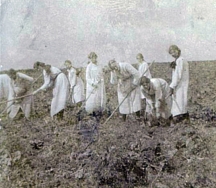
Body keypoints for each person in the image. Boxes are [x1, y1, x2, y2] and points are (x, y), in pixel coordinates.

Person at [168, 45, 189, 123]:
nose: (173, 54)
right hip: (179, 84)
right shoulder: (178, 60)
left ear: (178, 50)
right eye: (171, 53)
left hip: (180, 84)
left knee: (180, 100)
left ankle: (181, 118)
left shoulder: (180, 60)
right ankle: (183, 117)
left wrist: (172, 86)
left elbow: (178, 75)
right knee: (180, 100)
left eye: (174, 51)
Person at [136, 53, 152, 117]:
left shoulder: (144, 64)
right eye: (137, 58)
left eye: (139, 58)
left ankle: (148, 111)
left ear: (142, 58)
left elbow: (144, 74)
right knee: (143, 96)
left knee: (146, 96)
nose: (138, 59)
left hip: (145, 81)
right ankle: (145, 111)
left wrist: (142, 80)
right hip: (141, 81)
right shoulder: (140, 65)